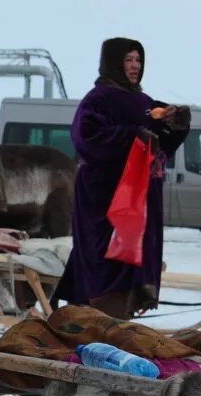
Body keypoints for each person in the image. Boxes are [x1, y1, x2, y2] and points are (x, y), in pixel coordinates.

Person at [54, 37, 191, 318]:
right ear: (113, 63)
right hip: (105, 194)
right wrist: (131, 136)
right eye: (128, 60)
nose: (135, 66)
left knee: (132, 254)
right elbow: (86, 138)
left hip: (139, 194)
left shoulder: (143, 101)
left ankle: (123, 313)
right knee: (104, 256)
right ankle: (95, 314)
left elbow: (161, 143)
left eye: (138, 60)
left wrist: (177, 123)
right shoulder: (97, 99)